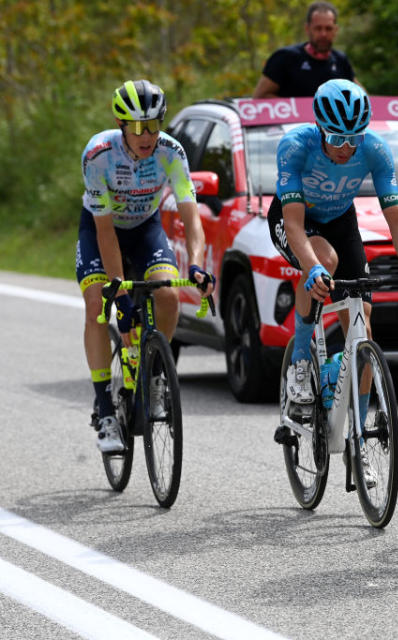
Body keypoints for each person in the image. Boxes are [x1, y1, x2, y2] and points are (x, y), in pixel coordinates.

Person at [268, 79, 398, 433]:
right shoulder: (295, 146)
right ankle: (299, 363)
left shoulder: (375, 150)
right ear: (319, 128)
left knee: (364, 328)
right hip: (294, 217)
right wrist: (311, 268)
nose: (346, 148)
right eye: (338, 138)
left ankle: (356, 433)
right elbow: (294, 226)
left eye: (354, 138)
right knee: (324, 261)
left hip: (340, 219)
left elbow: (397, 218)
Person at [77, 79, 215, 453]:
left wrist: (198, 265)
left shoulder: (171, 152)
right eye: (137, 127)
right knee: (97, 307)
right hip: (100, 232)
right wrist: (117, 286)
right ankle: (105, 409)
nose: (147, 135)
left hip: (145, 229)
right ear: (122, 125)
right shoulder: (99, 154)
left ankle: (156, 374)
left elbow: (192, 216)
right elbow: (105, 232)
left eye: (153, 125)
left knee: (168, 294)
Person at [253, 2, 356, 98]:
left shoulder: (341, 61)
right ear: (307, 29)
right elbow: (259, 97)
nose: (323, 34)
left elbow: (362, 97)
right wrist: (298, 109)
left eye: (328, 28)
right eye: (318, 28)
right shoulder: (285, 57)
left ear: (335, 30)